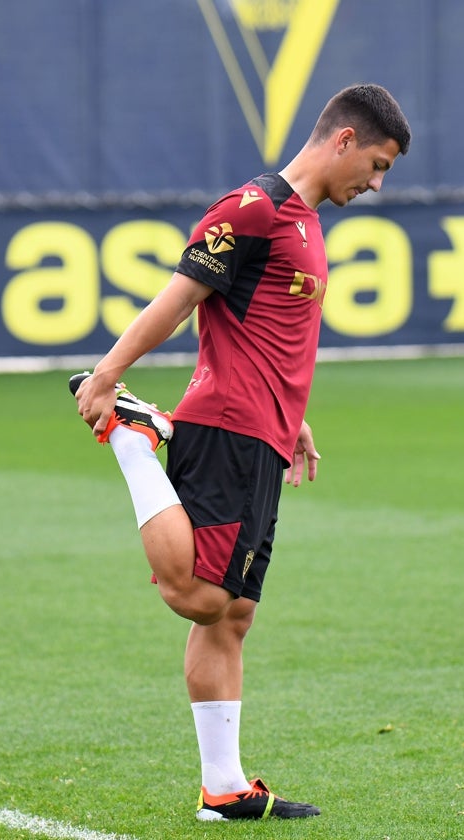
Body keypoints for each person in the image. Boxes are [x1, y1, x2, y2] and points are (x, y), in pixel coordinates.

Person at [72, 84, 411, 818]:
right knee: (200, 596)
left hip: (266, 431)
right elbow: (181, 297)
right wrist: (109, 374)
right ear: (344, 140)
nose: (377, 184)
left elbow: (275, 335)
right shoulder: (254, 209)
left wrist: (297, 419)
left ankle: (223, 788)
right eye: (377, 164)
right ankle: (133, 439)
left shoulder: (310, 224)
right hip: (226, 425)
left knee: (234, 617)